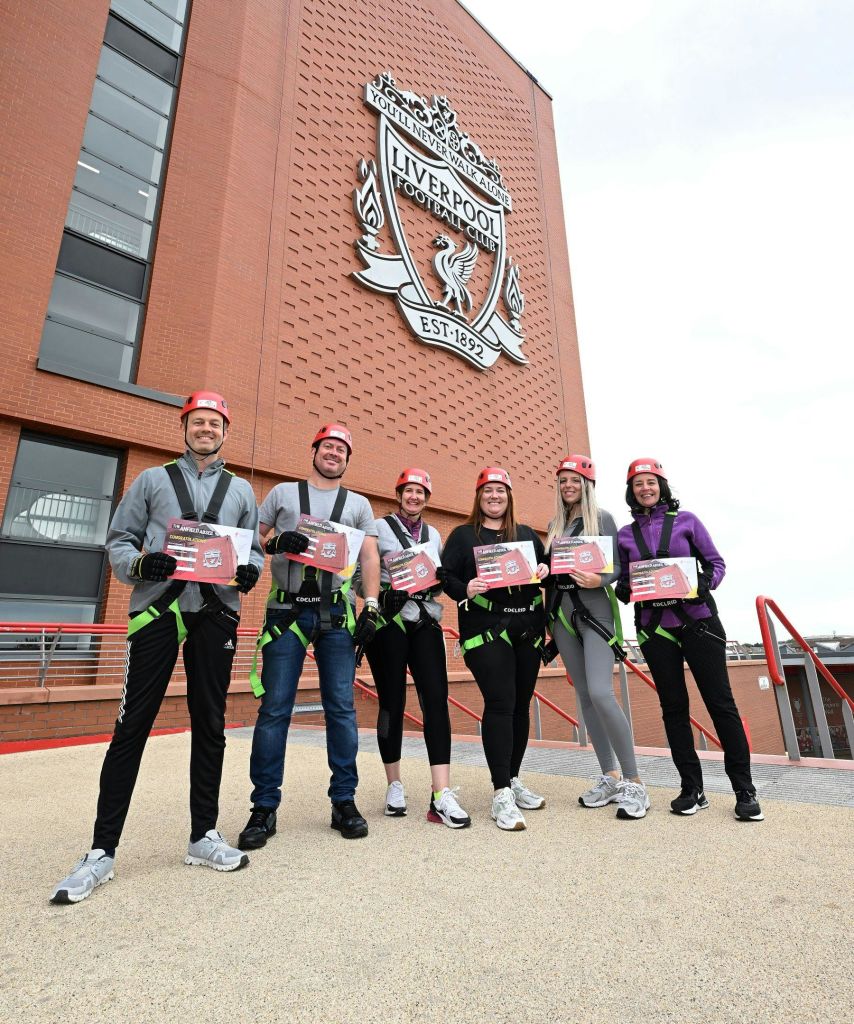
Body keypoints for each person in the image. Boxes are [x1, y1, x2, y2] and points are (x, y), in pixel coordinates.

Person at [50, 391, 264, 904]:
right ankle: (101, 851)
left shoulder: (242, 491)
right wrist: (140, 565)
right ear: (184, 426)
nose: (206, 429)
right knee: (131, 728)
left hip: (216, 614)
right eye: (198, 422)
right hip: (157, 613)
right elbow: (119, 540)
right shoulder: (151, 480)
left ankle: (203, 836)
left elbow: (252, 546)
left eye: (214, 423)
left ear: (225, 430)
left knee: (210, 724)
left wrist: (252, 569)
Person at [239, 424, 380, 846]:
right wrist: (277, 540)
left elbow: (369, 555)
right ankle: (263, 807)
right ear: (314, 450)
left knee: (341, 709)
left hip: (336, 612)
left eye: (341, 449)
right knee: (275, 708)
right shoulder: (283, 494)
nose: (333, 453)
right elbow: (255, 539)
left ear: (347, 458)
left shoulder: (357, 504)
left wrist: (370, 605)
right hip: (287, 609)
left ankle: (344, 801)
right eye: (327, 447)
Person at [616, 458, 764, 821]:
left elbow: (716, 565)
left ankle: (744, 790)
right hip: (654, 629)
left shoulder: (687, 522)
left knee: (720, 705)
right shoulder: (624, 535)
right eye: (638, 484)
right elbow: (622, 582)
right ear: (631, 492)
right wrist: (625, 586)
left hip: (699, 623)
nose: (645, 489)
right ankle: (692, 789)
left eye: (651, 482)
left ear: (662, 486)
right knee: (673, 709)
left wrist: (701, 584)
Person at [440, 467, 549, 831]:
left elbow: (544, 568)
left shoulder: (527, 535)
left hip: (528, 630)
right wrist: (465, 589)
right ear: (478, 496)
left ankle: (513, 778)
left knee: (520, 705)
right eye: (488, 491)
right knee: (501, 702)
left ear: (509, 496)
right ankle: (501, 791)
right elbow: (446, 577)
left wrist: (547, 568)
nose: (494, 496)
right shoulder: (462, 536)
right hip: (487, 629)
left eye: (500, 491)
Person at [362, 468, 471, 828]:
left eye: (420, 492)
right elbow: (360, 575)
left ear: (427, 498)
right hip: (390, 622)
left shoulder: (434, 533)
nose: (414, 497)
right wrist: (377, 597)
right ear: (398, 494)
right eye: (409, 491)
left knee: (435, 700)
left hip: (425, 619)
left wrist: (439, 580)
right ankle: (394, 783)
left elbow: (435, 579)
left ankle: (441, 792)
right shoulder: (378, 528)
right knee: (392, 702)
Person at [545, 455, 650, 819]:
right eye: (563, 481)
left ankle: (634, 780)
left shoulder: (602, 518)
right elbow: (552, 574)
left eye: (574, 481)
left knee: (602, 692)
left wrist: (600, 579)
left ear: (586, 485)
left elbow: (621, 567)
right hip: (561, 615)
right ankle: (609, 775)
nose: (568, 486)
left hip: (596, 612)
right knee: (585, 696)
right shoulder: (554, 524)